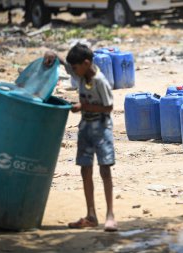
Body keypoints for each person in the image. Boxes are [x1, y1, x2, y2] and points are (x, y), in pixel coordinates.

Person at [44, 44, 117, 232]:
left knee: (105, 171)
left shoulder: (100, 81)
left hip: (102, 130)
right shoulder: (80, 74)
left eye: (76, 68)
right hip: (85, 129)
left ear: (86, 63)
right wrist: (54, 55)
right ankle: (91, 215)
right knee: (85, 170)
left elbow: (108, 108)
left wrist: (83, 107)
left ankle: (110, 215)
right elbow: (67, 66)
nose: (73, 72)